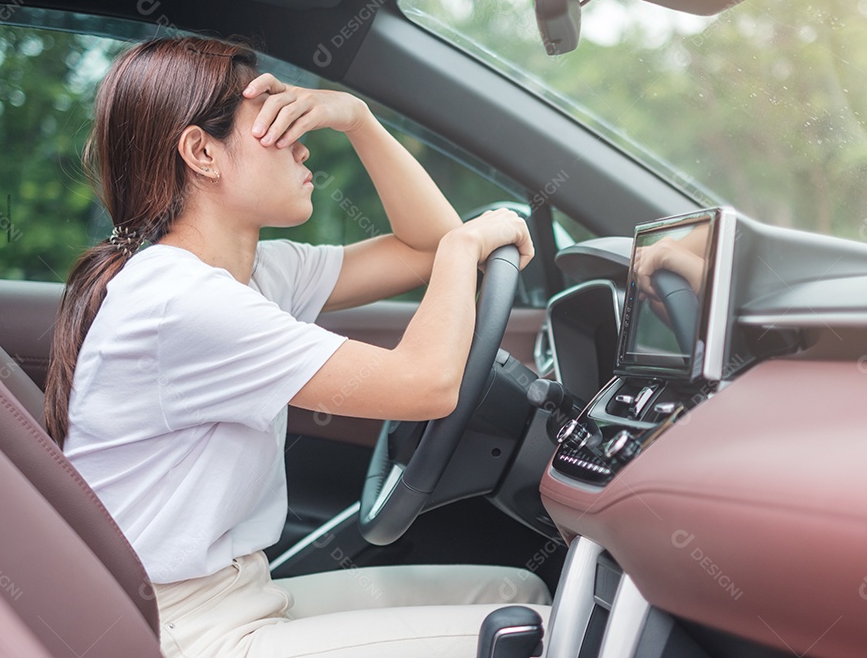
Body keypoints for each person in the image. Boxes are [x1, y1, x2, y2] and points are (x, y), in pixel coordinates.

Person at [44, 36, 546, 658]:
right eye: (279, 128)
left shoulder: (253, 272)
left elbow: (428, 243)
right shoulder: (183, 300)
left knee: (517, 589)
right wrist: (462, 249)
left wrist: (359, 119)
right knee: (538, 632)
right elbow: (428, 383)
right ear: (202, 152)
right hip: (182, 633)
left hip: (240, 595)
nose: (305, 145)